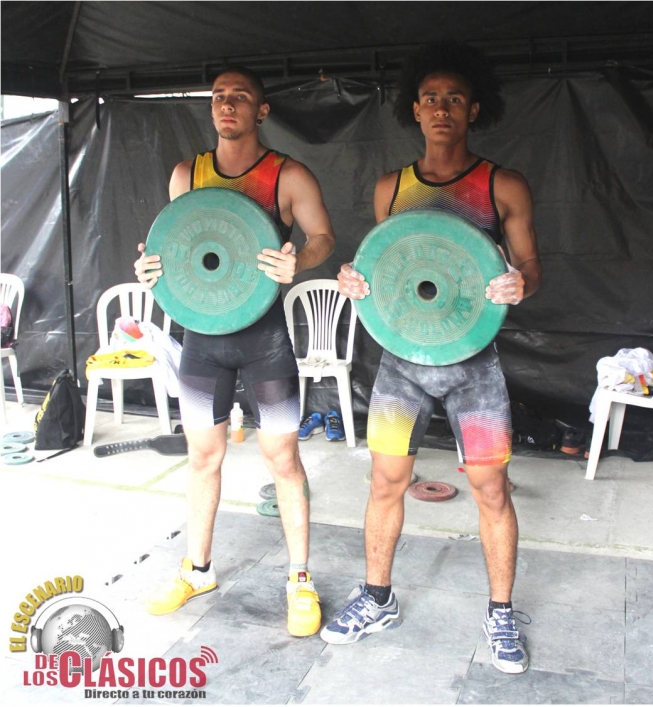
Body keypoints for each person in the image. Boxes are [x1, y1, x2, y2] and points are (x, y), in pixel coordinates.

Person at [320, 43, 541, 674]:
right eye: (430, 99)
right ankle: (377, 598)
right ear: (414, 110)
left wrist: (520, 283)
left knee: (490, 488)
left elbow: (531, 265)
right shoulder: (392, 188)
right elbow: (386, 267)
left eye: (454, 99)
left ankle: (501, 612)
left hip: (474, 364)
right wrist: (356, 279)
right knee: (385, 482)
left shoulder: (502, 184)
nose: (442, 109)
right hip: (402, 364)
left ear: (474, 109)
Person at [134, 66, 335, 637]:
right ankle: (197, 570)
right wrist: (151, 269)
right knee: (203, 457)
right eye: (219, 96)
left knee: (283, 461)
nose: (227, 104)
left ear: (261, 111)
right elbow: (177, 247)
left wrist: (300, 259)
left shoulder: (287, 175)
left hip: (265, 341)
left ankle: (300, 579)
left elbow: (323, 237)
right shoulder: (187, 175)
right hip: (202, 342)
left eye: (240, 97)